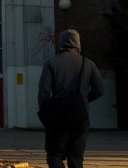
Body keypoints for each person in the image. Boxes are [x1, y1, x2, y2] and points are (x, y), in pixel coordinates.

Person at [37, 29, 105, 168]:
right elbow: (99, 90)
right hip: (80, 117)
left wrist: (46, 113)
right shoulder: (88, 64)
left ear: (60, 43)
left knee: (54, 155)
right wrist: (84, 100)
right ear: (78, 44)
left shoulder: (51, 63)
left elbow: (43, 92)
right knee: (76, 158)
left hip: (58, 116)